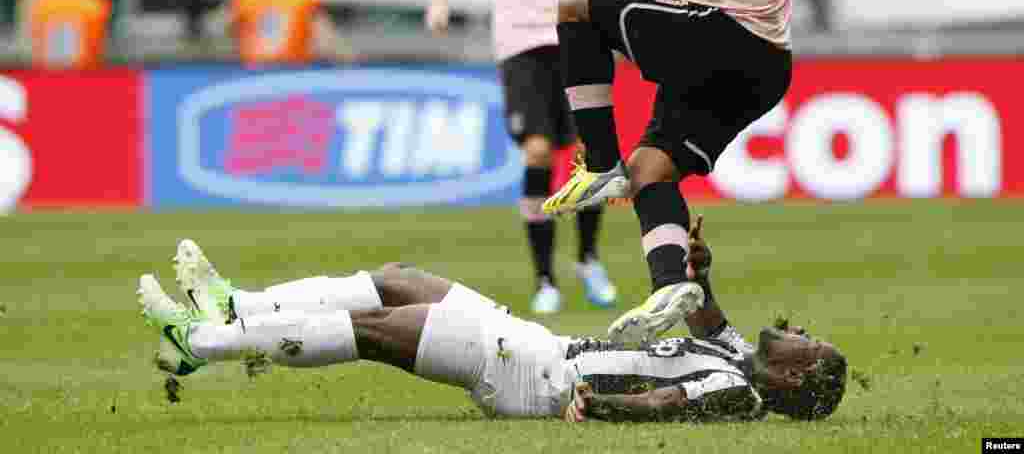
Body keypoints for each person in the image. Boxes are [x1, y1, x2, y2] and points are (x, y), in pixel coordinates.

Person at [137, 219, 847, 422]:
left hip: (537, 377)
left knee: (375, 328)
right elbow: (708, 316)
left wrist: (596, 407)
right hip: (541, 345)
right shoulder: (735, 357)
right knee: (400, 281)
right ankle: (237, 306)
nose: (799, 330)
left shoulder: (739, 394)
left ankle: (201, 343)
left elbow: (666, 402)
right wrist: (698, 265)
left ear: (799, 372)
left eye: (808, 341)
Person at [504, 0, 794, 343]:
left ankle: (599, 165)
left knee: (577, 3)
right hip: (768, 63)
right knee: (649, 170)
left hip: (725, 35)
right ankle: (671, 285)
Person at [426, 0, 643, 314]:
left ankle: (588, 259)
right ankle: (545, 278)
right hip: (519, 34)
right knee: (538, 152)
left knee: (590, 153)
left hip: (578, 33)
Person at [29, 0, 111, 70]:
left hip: (46, 73)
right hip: (85, 74)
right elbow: (105, 44)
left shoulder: (42, 3)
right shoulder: (96, 3)